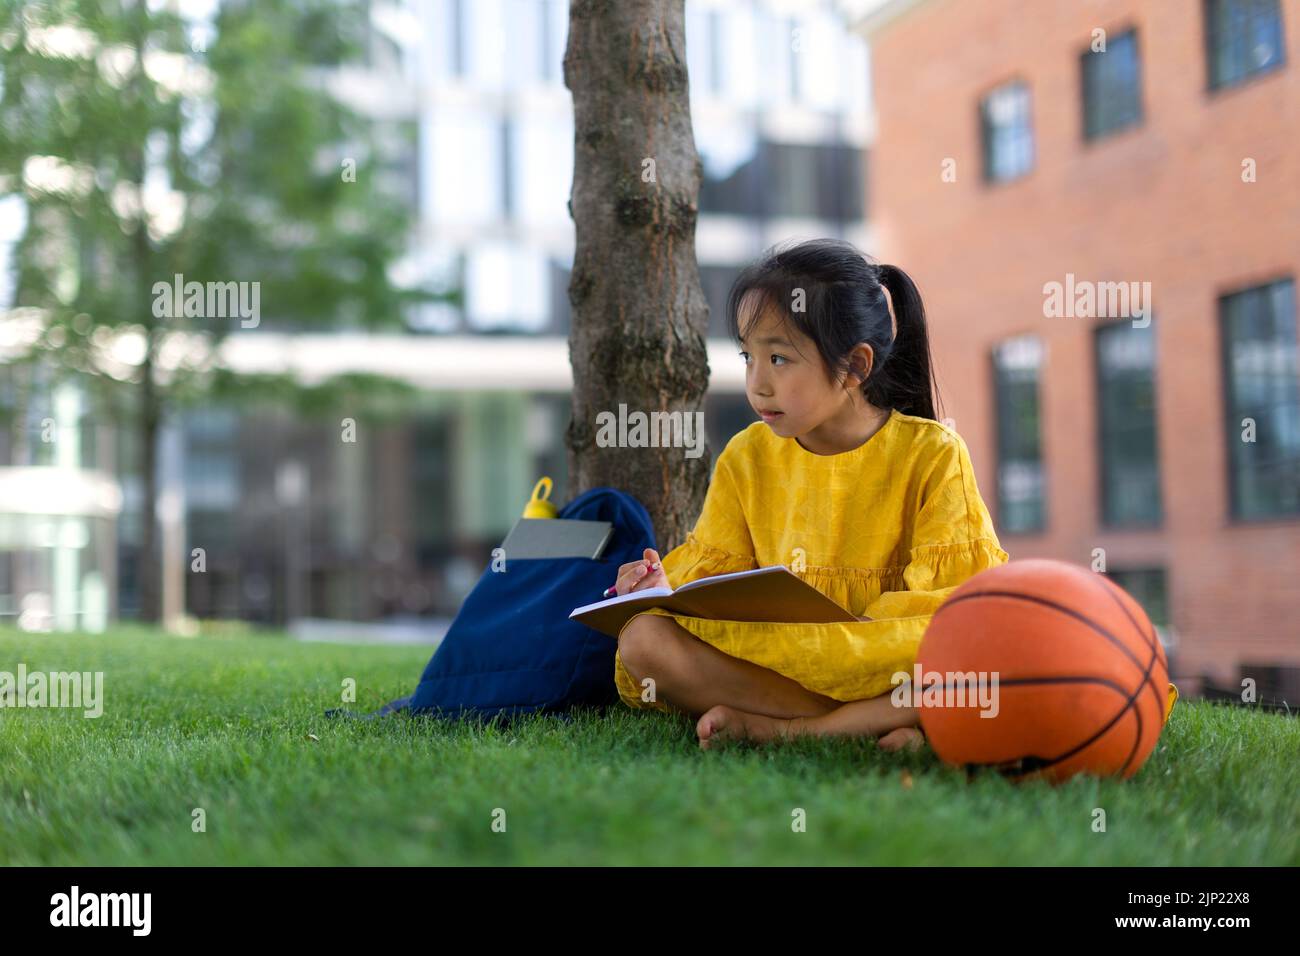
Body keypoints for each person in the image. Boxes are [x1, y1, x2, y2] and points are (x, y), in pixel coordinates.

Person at [609, 238, 1010, 752]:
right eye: (747, 356)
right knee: (644, 639)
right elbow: (717, 578)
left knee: (983, 651)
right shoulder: (745, 456)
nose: (757, 384)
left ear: (856, 366)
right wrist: (663, 586)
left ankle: (791, 730)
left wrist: (853, 636)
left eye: (779, 358)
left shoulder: (933, 452)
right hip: (785, 654)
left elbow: (957, 602)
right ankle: (875, 724)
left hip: (878, 650)